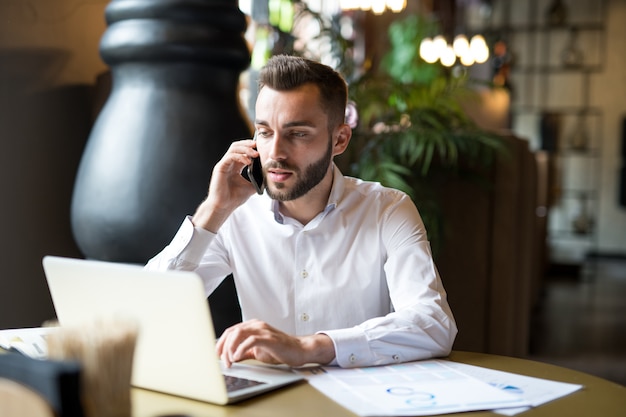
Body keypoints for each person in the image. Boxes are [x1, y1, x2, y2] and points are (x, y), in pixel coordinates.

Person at [146, 54, 457, 368]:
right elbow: (149, 309)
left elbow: (433, 324)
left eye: (298, 134)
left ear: (339, 139)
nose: (275, 153)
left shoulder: (388, 209)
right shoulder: (235, 216)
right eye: (265, 132)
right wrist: (213, 210)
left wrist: (310, 348)